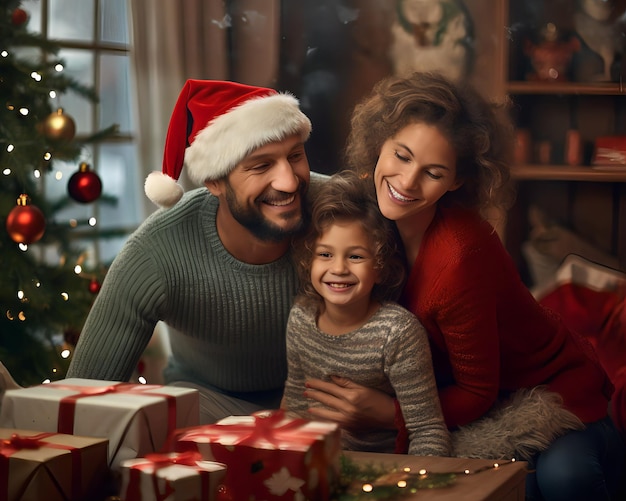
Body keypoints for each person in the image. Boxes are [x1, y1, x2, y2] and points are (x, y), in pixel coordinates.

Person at [303, 71, 625, 500]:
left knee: (564, 480)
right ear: (380, 142)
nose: (406, 182)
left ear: (455, 181)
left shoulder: (459, 256)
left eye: (432, 172)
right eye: (400, 155)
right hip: (464, 405)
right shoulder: (365, 212)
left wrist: (389, 414)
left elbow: (478, 391)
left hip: (547, 391)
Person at [66, 79, 316, 423]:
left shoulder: (340, 212)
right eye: (261, 165)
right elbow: (83, 399)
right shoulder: (157, 251)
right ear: (213, 181)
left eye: (295, 156)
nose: (289, 182)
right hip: (204, 413)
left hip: (320, 410)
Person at [281, 170, 451, 456]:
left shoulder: (397, 332)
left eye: (356, 256)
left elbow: (428, 430)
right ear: (308, 259)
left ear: (381, 266)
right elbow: (296, 406)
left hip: (382, 470)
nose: (338, 269)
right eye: (325, 254)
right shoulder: (301, 317)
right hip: (316, 467)